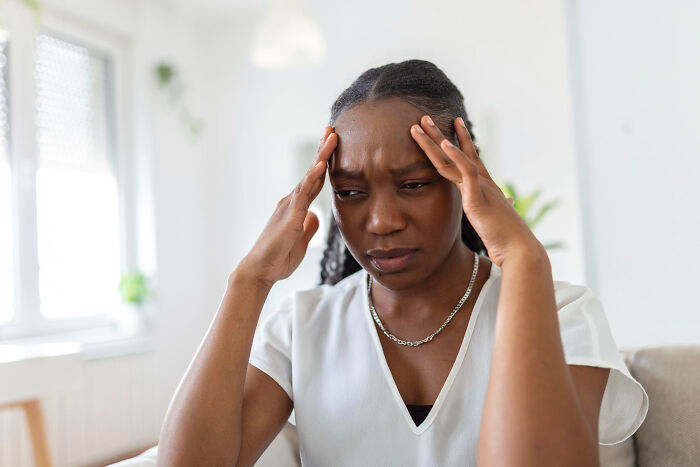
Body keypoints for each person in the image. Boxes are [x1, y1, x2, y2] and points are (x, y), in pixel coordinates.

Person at [157, 59, 648, 466]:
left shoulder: (564, 314)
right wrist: (249, 281)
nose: (381, 221)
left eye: (413, 184)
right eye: (350, 192)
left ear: (465, 175)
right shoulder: (302, 328)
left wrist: (523, 260)